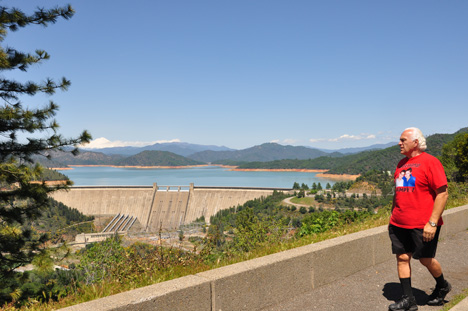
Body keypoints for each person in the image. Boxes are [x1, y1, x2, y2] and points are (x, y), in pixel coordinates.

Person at [388, 127, 451, 311]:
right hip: (399, 223)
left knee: (425, 259)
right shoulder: (401, 164)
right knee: (402, 258)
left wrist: (432, 222)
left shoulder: (431, 162)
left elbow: (442, 194)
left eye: (403, 140)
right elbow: (398, 193)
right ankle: (409, 300)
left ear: (415, 142)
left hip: (423, 224)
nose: (399, 143)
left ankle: (442, 285)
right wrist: (393, 215)